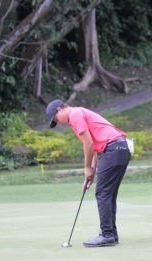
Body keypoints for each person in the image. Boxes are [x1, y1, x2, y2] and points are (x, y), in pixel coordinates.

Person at [46, 99, 131, 247]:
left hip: (113, 149)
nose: (58, 122)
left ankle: (107, 235)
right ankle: (111, 234)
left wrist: (86, 168)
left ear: (60, 109)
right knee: (108, 194)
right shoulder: (80, 113)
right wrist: (90, 173)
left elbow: (88, 144)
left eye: (56, 119)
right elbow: (95, 147)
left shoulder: (75, 114)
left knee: (102, 193)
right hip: (121, 149)